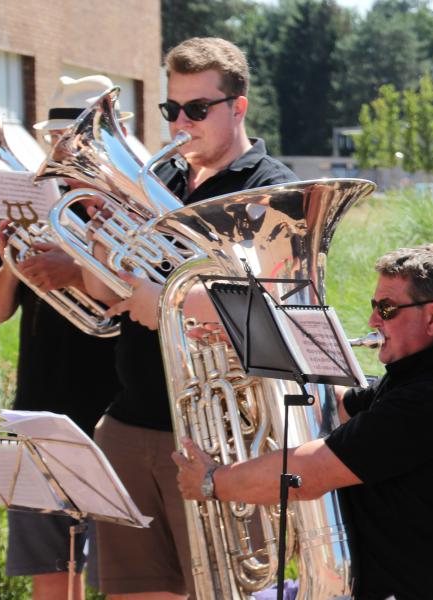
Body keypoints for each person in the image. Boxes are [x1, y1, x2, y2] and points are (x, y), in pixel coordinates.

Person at [83, 37, 298, 599]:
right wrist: (96, 233)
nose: (181, 123)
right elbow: (100, 293)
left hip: (223, 442)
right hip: (130, 426)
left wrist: (170, 303)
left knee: (226, 591)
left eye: (197, 110)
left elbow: (276, 310)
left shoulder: (271, 188)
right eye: (170, 109)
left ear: (239, 107)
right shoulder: (164, 182)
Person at [172, 244, 433, 600]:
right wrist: (252, 346)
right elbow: (332, 406)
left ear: (432, 318)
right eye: (374, 307)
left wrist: (212, 481)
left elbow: (307, 475)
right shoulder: (417, 380)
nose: (373, 321)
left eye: (387, 309)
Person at [0, 75, 125, 600]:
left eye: (75, 135)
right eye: (58, 136)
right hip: (39, 416)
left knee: (126, 576)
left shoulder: (134, 211)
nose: (62, 147)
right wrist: (12, 262)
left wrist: (75, 270)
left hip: (114, 419)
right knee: (51, 573)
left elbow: (139, 303)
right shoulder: (39, 206)